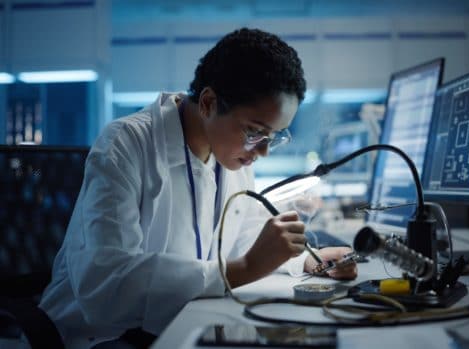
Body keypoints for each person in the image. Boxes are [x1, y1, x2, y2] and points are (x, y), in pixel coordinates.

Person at [39, 28, 357, 349]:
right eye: (255, 132)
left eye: (274, 136)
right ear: (208, 103)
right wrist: (244, 269)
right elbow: (105, 287)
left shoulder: (231, 155)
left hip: (177, 323)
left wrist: (304, 260)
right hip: (98, 336)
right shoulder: (126, 144)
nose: (262, 152)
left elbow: (245, 237)